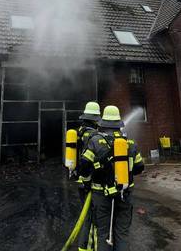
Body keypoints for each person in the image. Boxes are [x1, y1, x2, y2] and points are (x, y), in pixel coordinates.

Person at [78, 105, 144, 250]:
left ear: (103, 123)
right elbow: (139, 167)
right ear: (119, 124)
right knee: (122, 233)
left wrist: (88, 181)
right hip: (125, 194)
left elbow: (84, 167)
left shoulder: (95, 141)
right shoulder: (130, 143)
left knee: (103, 233)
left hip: (101, 195)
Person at [75, 101, 100, 251]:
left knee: (87, 215)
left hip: (81, 178)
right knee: (91, 217)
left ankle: (85, 247)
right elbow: (88, 161)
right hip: (88, 180)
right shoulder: (92, 136)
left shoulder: (80, 132)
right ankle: (87, 247)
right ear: (95, 119)